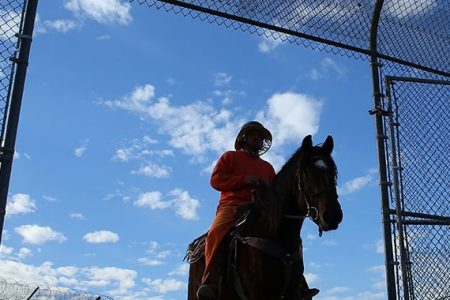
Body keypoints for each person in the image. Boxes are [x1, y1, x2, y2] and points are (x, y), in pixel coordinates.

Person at [197, 121, 318, 300]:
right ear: (244, 137)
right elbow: (216, 180)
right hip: (233, 206)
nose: (258, 139)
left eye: (261, 137)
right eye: (255, 135)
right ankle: (211, 281)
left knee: (290, 236)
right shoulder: (230, 157)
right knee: (216, 232)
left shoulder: (268, 167)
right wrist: (245, 180)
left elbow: (277, 194)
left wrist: (269, 188)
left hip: (262, 210)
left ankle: (298, 282)